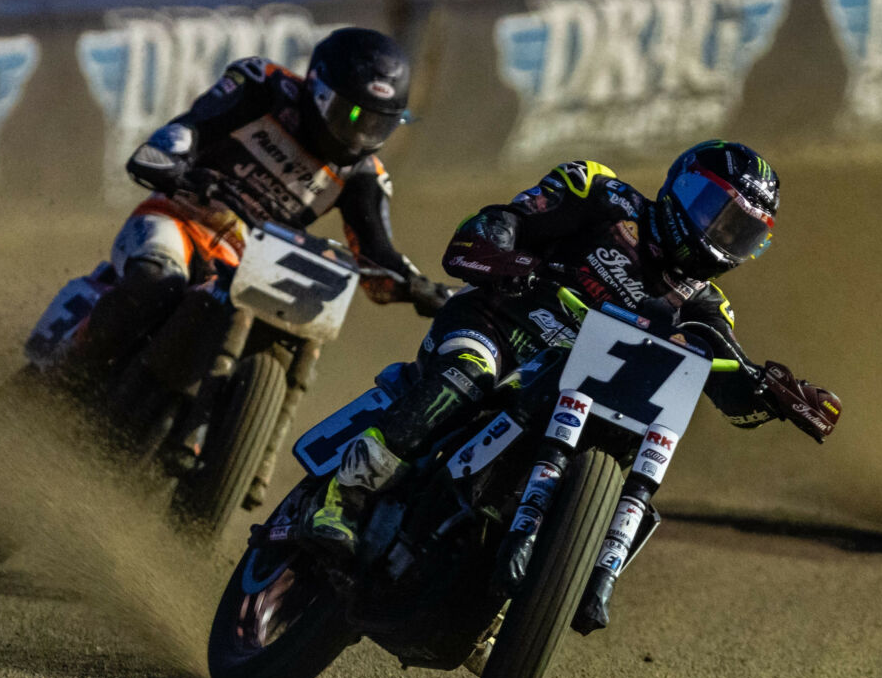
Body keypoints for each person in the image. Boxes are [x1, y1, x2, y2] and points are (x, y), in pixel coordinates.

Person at [292, 141, 843, 560]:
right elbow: (497, 224)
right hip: (500, 328)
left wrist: (772, 394)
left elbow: (728, 392)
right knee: (468, 372)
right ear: (679, 187)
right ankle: (345, 496)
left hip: (571, 395)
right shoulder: (599, 193)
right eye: (712, 211)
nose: (718, 234)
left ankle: (517, 592)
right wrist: (512, 261)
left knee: (622, 466)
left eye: (740, 231)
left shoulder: (709, 309)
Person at [52, 26, 449, 408]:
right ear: (321, 92)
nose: (361, 133)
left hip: (250, 268)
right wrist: (168, 155)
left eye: (378, 122)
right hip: (180, 219)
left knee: (272, 340)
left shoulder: (366, 176)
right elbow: (195, 125)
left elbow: (376, 251)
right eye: (353, 114)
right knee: (156, 281)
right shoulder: (265, 86)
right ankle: (63, 377)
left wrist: (417, 286)